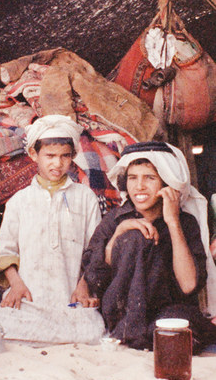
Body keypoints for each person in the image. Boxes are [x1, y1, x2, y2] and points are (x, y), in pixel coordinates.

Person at [81, 141, 216, 352]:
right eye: (133, 178)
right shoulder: (114, 220)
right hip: (122, 314)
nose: (139, 187)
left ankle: (142, 337)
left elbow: (189, 285)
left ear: (166, 184)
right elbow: (95, 279)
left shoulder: (186, 223)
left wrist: (173, 222)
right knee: (134, 237)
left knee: (173, 329)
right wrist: (118, 235)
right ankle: (130, 333)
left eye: (150, 178)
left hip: (167, 311)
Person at [0, 115, 104, 344]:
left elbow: (95, 249)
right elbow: (6, 251)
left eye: (64, 156)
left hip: (70, 295)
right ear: (33, 155)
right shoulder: (18, 201)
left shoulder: (85, 197)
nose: (57, 164)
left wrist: (84, 286)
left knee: (91, 330)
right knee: (5, 323)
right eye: (50, 156)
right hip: (29, 295)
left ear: (73, 157)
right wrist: (16, 285)